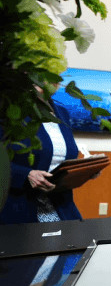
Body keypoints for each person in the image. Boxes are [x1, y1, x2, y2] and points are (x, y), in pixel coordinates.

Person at [0, 88, 83, 224]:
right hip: (17, 210)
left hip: (61, 209)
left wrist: (84, 170)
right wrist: (27, 174)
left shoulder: (62, 112)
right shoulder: (9, 110)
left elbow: (64, 158)